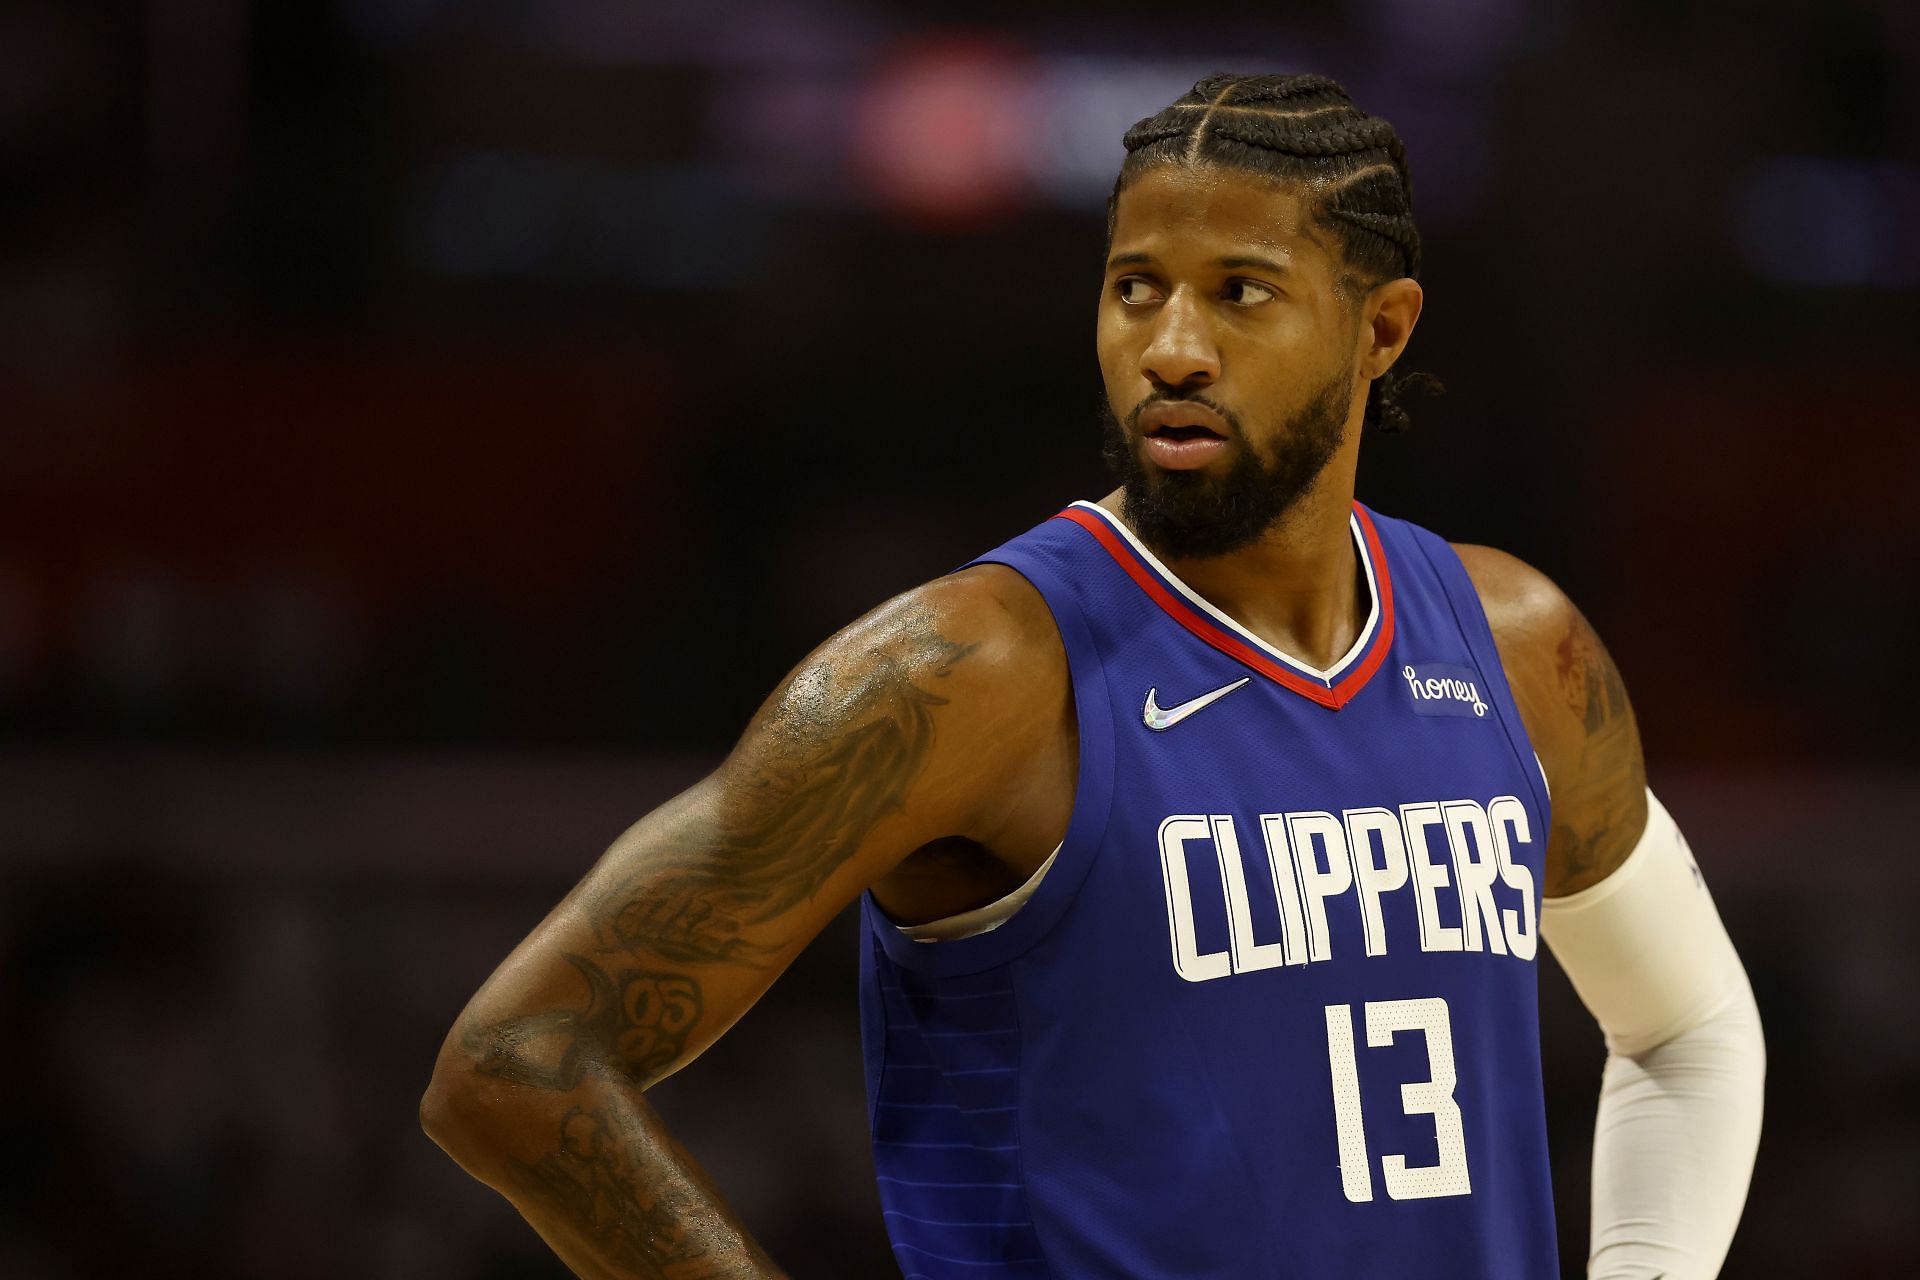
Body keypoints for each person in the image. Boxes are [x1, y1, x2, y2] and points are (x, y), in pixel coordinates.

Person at [421, 72, 1764, 1278]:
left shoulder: (1515, 641)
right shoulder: (966, 671)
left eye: (1241, 290)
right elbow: (515, 1066)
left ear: (1383, 329)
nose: (1171, 347)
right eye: (1136, 288)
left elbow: (1691, 1030)